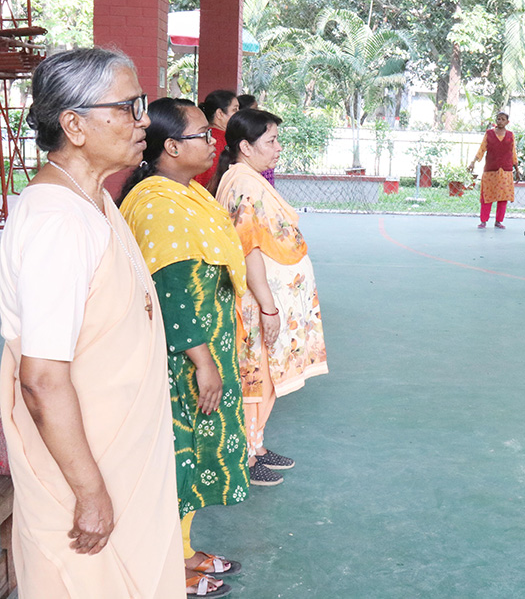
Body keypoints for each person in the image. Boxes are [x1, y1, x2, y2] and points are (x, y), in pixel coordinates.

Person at [0, 48, 184, 596]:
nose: (144, 120)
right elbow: (41, 377)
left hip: (120, 462)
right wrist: (89, 493)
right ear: (74, 125)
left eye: (141, 104)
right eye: (129, 106)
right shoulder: (57, 222)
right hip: (83, 481)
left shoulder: (93, 202)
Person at [119, 98, 251, 596]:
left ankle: (183, 549)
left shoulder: (185, 193)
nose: (212, 141)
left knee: (191, 457)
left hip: (201, 353)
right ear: (171, 147)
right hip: (183, 361)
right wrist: (203, 362)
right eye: (202, 134)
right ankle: (167, 565)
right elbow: (171, 289)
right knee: (179, 455)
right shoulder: (157, 202)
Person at [214, 108, 330, 484]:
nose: (278, 148)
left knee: (266, 375)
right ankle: (246, 457)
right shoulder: (245, 185)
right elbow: (248, 250)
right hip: (255, 302)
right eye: (271, 141)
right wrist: (267, 307)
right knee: (257, 376)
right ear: (245, 147)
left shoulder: (246, 178)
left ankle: (257, 445)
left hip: (264, 299)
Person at [468, 112, 519, 229]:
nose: (500, 121)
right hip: (490, 169)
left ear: (507, 122)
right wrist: (473, 162)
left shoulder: (510, 135)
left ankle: (499, 221)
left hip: (505, 170)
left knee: (503, 197)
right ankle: (483, 221)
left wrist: (516, 168)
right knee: (487, 195)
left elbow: (513, 152)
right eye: (498, 119)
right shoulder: (489, 134)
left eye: (502, 119)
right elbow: (482, 149)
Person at [193, 89, 238, 191]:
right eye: (235, 110)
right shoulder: (222, 140)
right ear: (220, 114)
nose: (238, 114)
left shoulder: (203, 136)